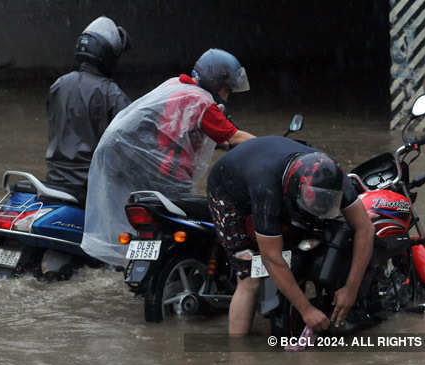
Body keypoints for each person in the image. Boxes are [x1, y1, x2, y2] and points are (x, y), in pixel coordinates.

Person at [80, 48, 255, 266]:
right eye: (227, 89)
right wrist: (268, 146)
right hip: (169, 177)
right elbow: (234, 135)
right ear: (216, 82)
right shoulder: (201, 101)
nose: (227, 96)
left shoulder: (175, 86)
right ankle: (212, 265)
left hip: (141, 171)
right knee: (215, 219)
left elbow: (175, 127)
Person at [207, 136, 374, 335]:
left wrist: (351, 289)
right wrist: (306, 310)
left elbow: (365, 229)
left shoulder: (335, 179)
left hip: (276, 173)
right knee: (250, 277)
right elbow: (271, 257)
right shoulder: (266, 189)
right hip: (228, 192)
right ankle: (239, 357)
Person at [45, 16, 132, 203]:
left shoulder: (58, 85)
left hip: (54, 182)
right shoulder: (111, 93)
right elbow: (130, 141)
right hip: (90, 188)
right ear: (107, 56)